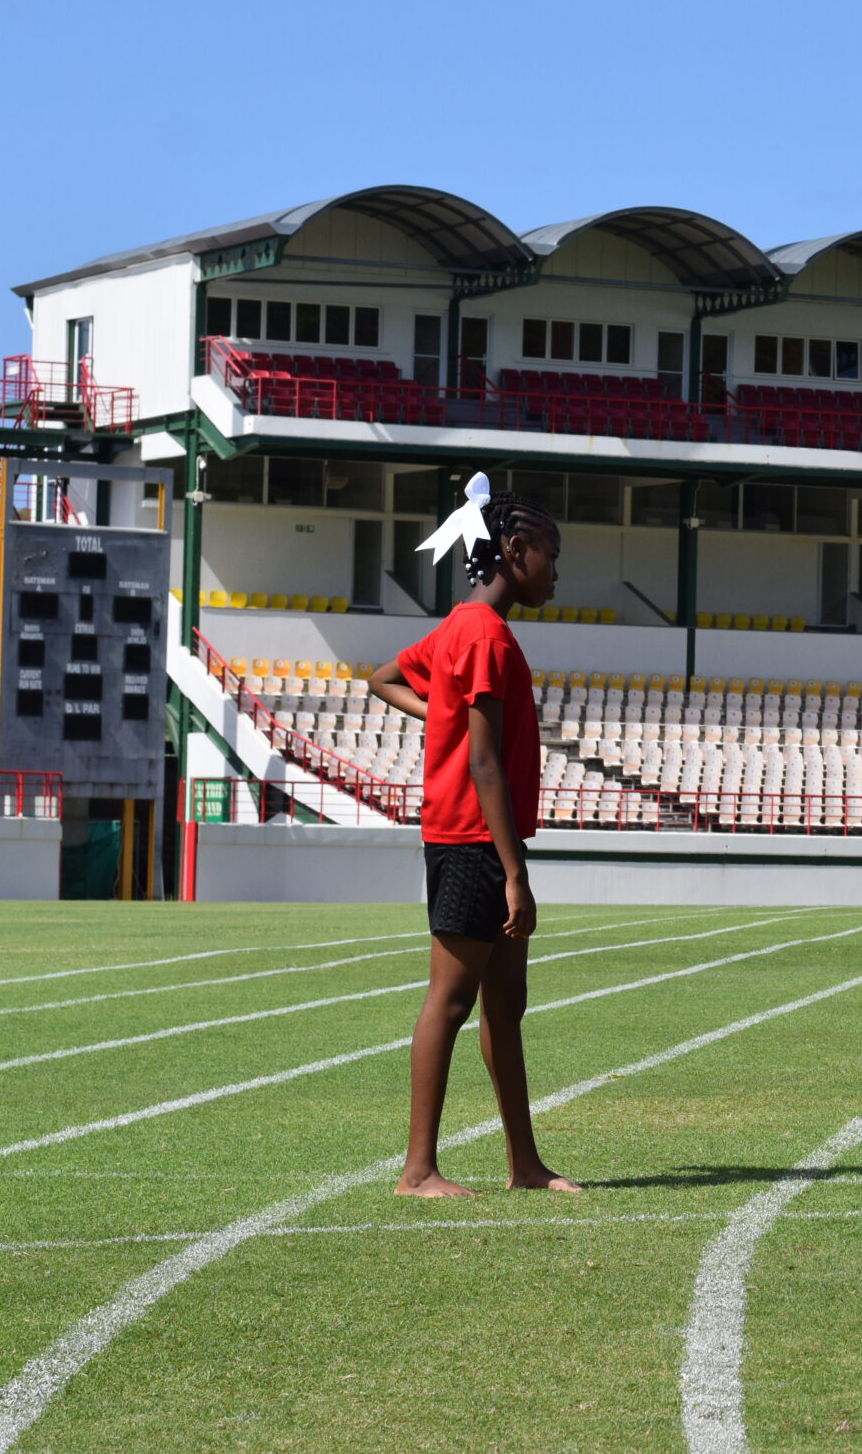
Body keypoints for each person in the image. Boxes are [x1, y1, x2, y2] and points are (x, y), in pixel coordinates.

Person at [367, 474, 581, 1200]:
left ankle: (525, 1163)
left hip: (480, 840)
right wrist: (514, 870)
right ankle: (417, 1169)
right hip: (472, 843)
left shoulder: (464, 625)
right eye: (551, 555)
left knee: (505, 1006)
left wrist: (443, 714)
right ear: (516, 549)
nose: (556, 571)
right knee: (449, 1002)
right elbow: (484, 760)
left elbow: (385, 676)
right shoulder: (485, 635)